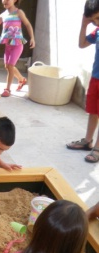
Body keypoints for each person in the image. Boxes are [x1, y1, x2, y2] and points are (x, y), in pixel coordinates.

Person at [66, 0, 99, 163]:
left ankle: (98, 148)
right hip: (96, 77)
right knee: (93, 111)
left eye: (98, 18)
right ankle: (87, 141)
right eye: (93, 20)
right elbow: (82, 44)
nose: (96, 22)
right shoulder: (97, 31)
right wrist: (84, 24)